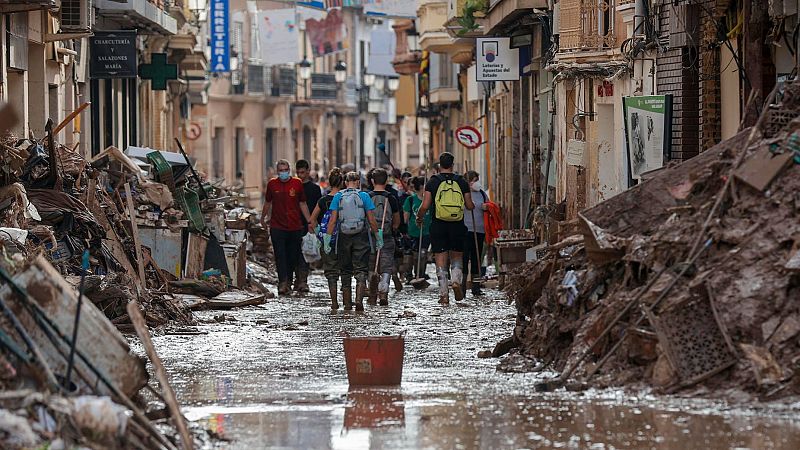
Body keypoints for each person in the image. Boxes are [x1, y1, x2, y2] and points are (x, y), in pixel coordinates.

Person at [415, 152, 475, 305]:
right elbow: (469, 206)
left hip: (438, 224)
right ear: (453, 164)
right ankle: (455, 280)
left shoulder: (433, 182)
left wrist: (419, 217)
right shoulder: (461, 181)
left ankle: (444, 294)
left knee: (440, 259)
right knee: (456, 256)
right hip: (457, 224)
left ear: (439, 165)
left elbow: (425, 205)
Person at [324, 171, 380, 311]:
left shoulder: (338, 196)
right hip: (361, 235)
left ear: (345, 182)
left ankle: (347, 303)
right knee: (361, 269)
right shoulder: (364, 196)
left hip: (344, 236)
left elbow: (332, 220)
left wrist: (327, 239)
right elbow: (372, 220)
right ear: (358, 182)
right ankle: (359, 300)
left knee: (345, 269)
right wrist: (378, 237)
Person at [262, 160, 313, 296]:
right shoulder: (272, 184)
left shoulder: (297, 184)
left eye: (285, 170)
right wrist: (263, 218)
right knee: (280, 255)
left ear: (289, 170)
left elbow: (302, 203)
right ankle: (283, 283)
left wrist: (309, 221)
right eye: (281, 170)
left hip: (294, 226)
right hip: (277, 225)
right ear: (277, 171)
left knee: (292, 255)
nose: (283, 172)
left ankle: (290, 281)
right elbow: (268, 202)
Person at [310, 168, 344, 309]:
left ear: (329, 182)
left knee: (331, 271)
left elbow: (312, 220)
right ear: (342, 183)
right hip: (345, 238)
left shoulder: (323, 200)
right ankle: (348, 302)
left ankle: (334, 302)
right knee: (346, 271)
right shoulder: (344, 199)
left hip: (327, 241)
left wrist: (320, 234)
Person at [367, 168, 401, 306]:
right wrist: (393, 228)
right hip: (387, 235)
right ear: (386, 181)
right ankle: (384, 293)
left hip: (369, 236)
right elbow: (397, 221)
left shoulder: (367, 197)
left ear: (372, 181)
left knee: (370, 265)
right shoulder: (391, 197)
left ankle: (372, 293)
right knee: (386, 265)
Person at [294, 159, 322, 292]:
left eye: (303, 172)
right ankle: (296, 279)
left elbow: (319, 207)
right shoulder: (293, 187)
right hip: (293, 224)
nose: (300, 175)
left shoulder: (315, 189)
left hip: (308, 224)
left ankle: (302, 281)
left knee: (305, 252)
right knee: (294, 252)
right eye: (298, 172)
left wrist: (315, 224)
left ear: (308, 171)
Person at [463, 170, 489, 296]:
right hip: (466, 230)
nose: (476, 183)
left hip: (479, 230)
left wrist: (487, 207)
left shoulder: (482, 194)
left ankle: (476, 286)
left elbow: (489, 206)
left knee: (477, 258)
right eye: (474, 180)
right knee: (464, 257)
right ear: (468, 182)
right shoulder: (462, 194)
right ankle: (462, 285)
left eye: (477, 180)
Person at [403, 175, 431, 281]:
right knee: (413, 255)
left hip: (426, 231)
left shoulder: (430, 200)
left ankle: (420, 275)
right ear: (422, 187)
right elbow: (406, 217)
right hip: (413, 231)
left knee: (423, 254)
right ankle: (409, 275)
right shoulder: (410, 200)